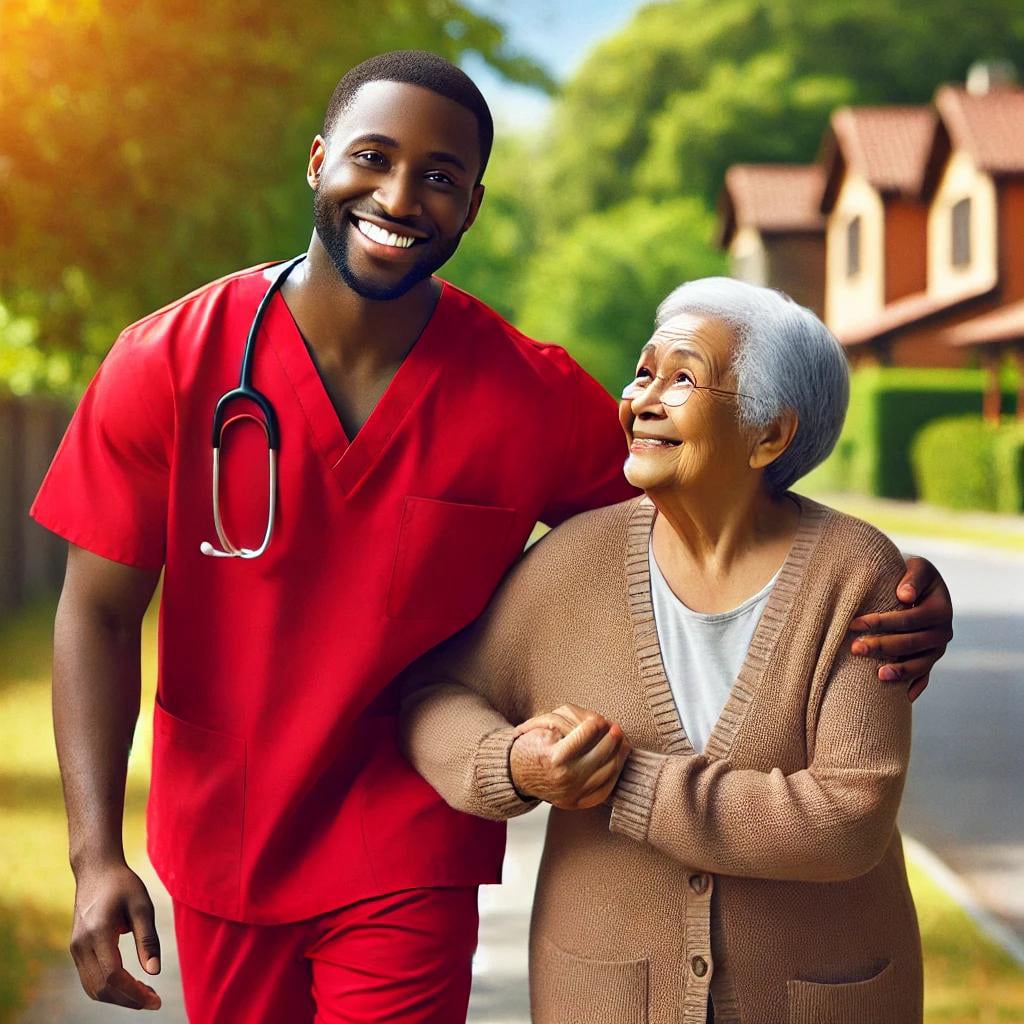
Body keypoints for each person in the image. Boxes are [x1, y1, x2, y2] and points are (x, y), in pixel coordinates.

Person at [30, 51, 950, 1022]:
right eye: (372, 157)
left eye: (439, 176)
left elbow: (700, 501)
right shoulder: (166, 361)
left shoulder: (527, 394)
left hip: (410, 829)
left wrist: (881, 582)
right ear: (316, 162)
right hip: (227, 828)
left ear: (470, 207)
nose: (399, 194)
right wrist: (95, 855)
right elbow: (94, 612)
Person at [401, 279, 928, 1024]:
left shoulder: (856, 572)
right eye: (643, 374)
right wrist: (512, 762)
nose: (643, 399)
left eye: (682, 378)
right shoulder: (572, 563)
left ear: (770, 434)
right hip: (607, 995)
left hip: (816, 997)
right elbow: (434, 697)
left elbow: (848, 820)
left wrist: (628, 785)